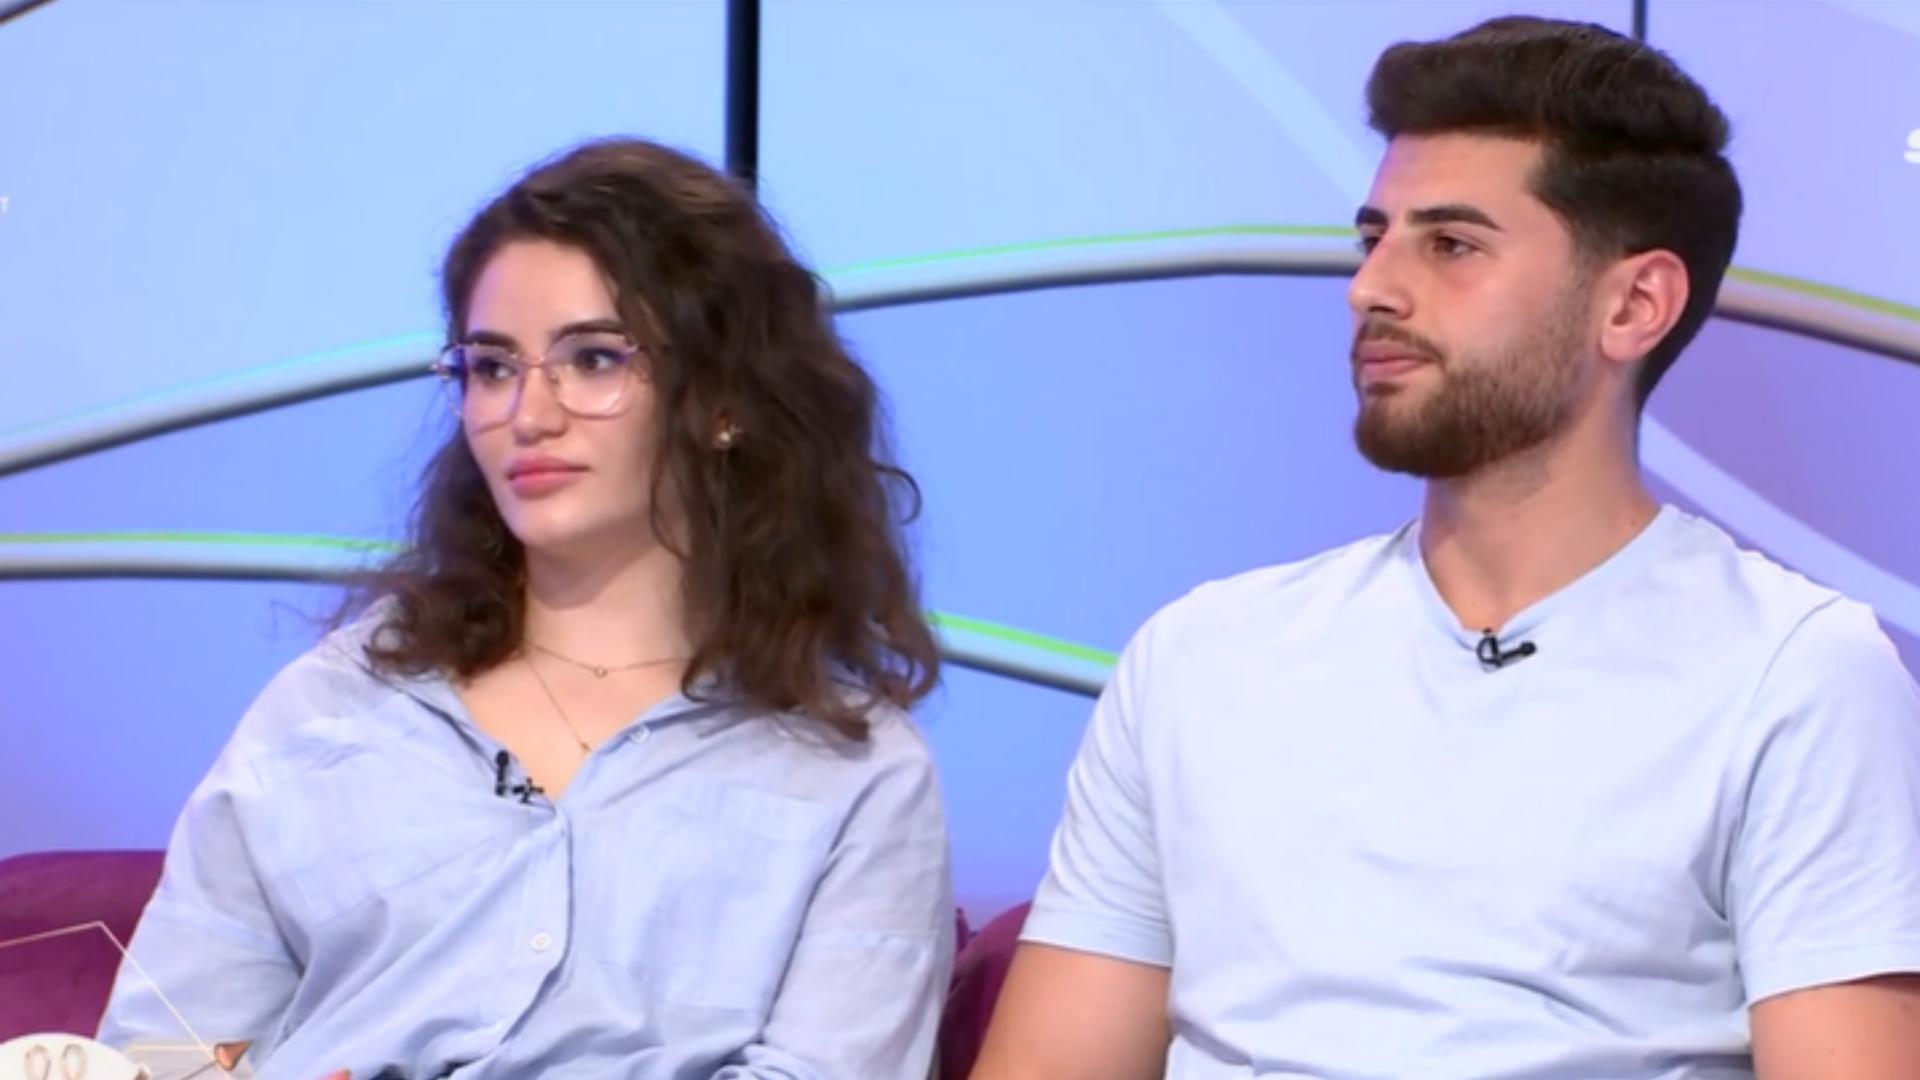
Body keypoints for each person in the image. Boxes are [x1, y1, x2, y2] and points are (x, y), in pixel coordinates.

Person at [971, 16, 1920, 1080]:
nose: (1371, 288)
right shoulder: (1198, 656)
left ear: (1634, 305)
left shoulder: (1794, 672)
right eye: (1373, 237)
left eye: (1452, 245)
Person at [98, 138, 954, 1079]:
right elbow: (162, 1049)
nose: (529, 415)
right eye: (493, 367)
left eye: (593, 359)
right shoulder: (332, 710)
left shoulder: (852, 772)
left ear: (724, 403)